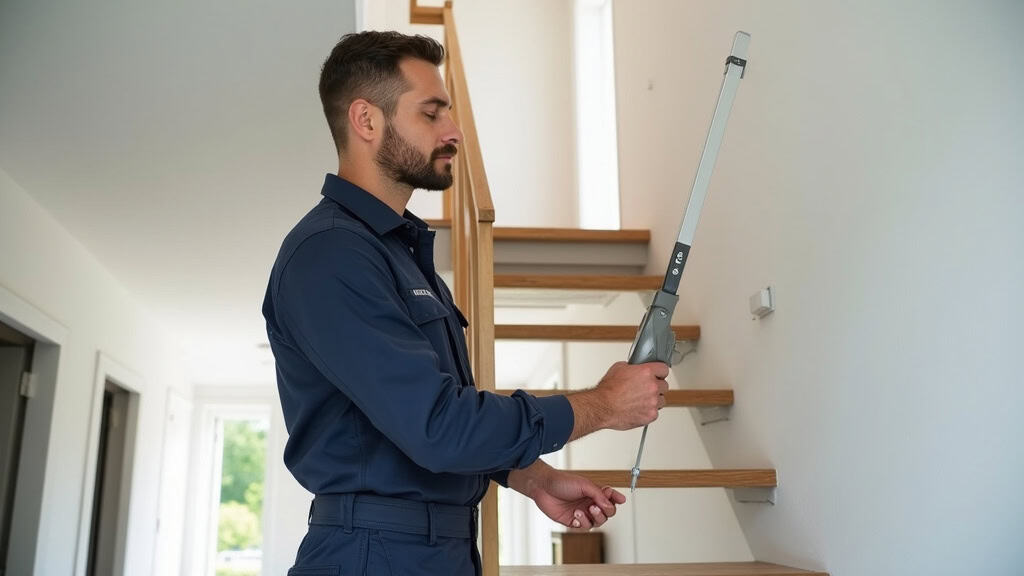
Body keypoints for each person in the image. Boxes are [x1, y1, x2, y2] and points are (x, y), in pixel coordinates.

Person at [262, 30, 669, 576]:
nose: (454, 131)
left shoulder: (398, 253)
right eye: (431, 114)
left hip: (432, 547)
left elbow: (427, 417)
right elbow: (439, 427)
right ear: (366, 121)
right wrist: (602, 405)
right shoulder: (331, 255)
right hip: (374, 555)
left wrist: (530, 476)